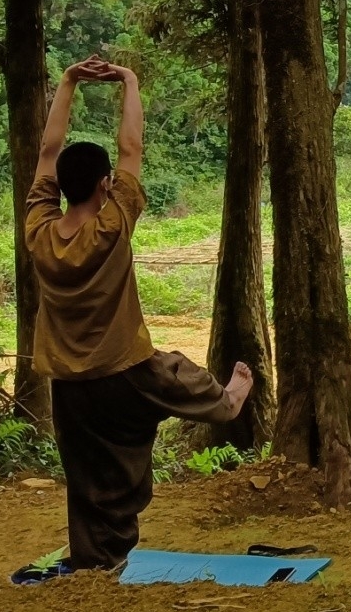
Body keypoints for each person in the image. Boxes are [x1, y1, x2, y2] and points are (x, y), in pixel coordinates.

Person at [28, 57, 253, 574]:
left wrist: (68, 81)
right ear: (105, 185)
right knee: (178, 377)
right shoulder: (111, 226)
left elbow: (46, 153)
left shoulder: (39, 231)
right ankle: (227, 401)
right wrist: (128, 81)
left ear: (59, 187)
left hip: (69, 382)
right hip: (122, 367)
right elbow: (131, 148)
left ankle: (96, 558)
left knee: (86, 473)